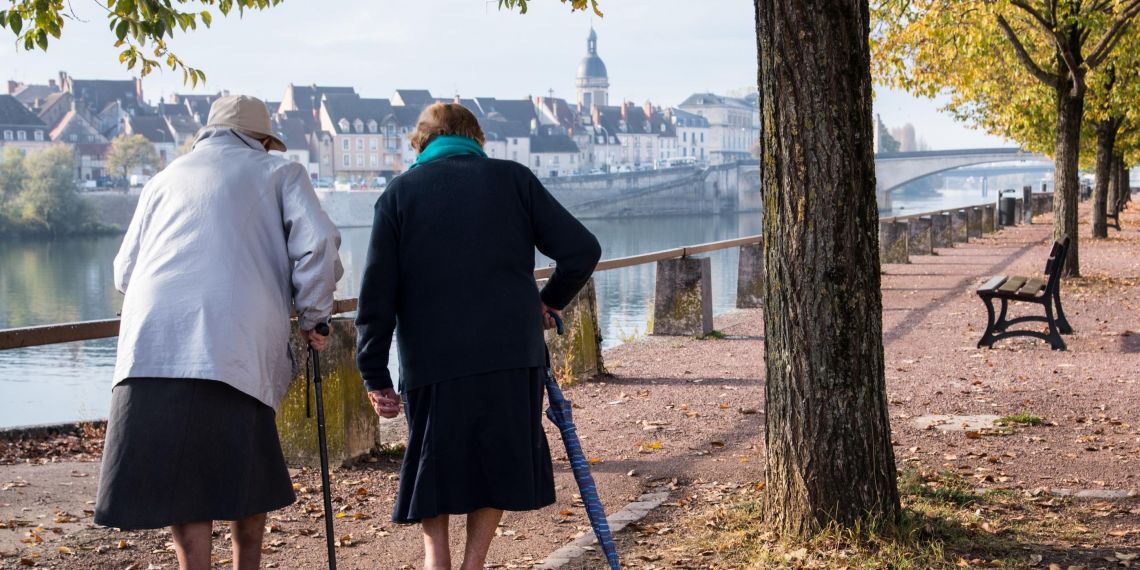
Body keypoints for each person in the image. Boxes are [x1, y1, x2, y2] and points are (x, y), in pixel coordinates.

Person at [95, 95, 343, 570]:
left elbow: (124, 271)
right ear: (262, 140)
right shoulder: (279, 172)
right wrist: (315, 317)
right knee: (246, 478)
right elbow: (318, 245)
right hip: (231, 344)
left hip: (152, 346)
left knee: (183, 486)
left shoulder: (164, 178)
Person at [356, 102, 601, 570]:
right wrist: (550, 300)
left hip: (434, 359)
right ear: (476, 138)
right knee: (497, 463)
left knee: (433, 464)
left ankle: (437, 560)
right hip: (511, 354)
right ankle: (474, 565)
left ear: (421, 142)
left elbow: (377, 295)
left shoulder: (399, 194)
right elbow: (582, 249)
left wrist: (374, 373)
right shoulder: (514, 180)